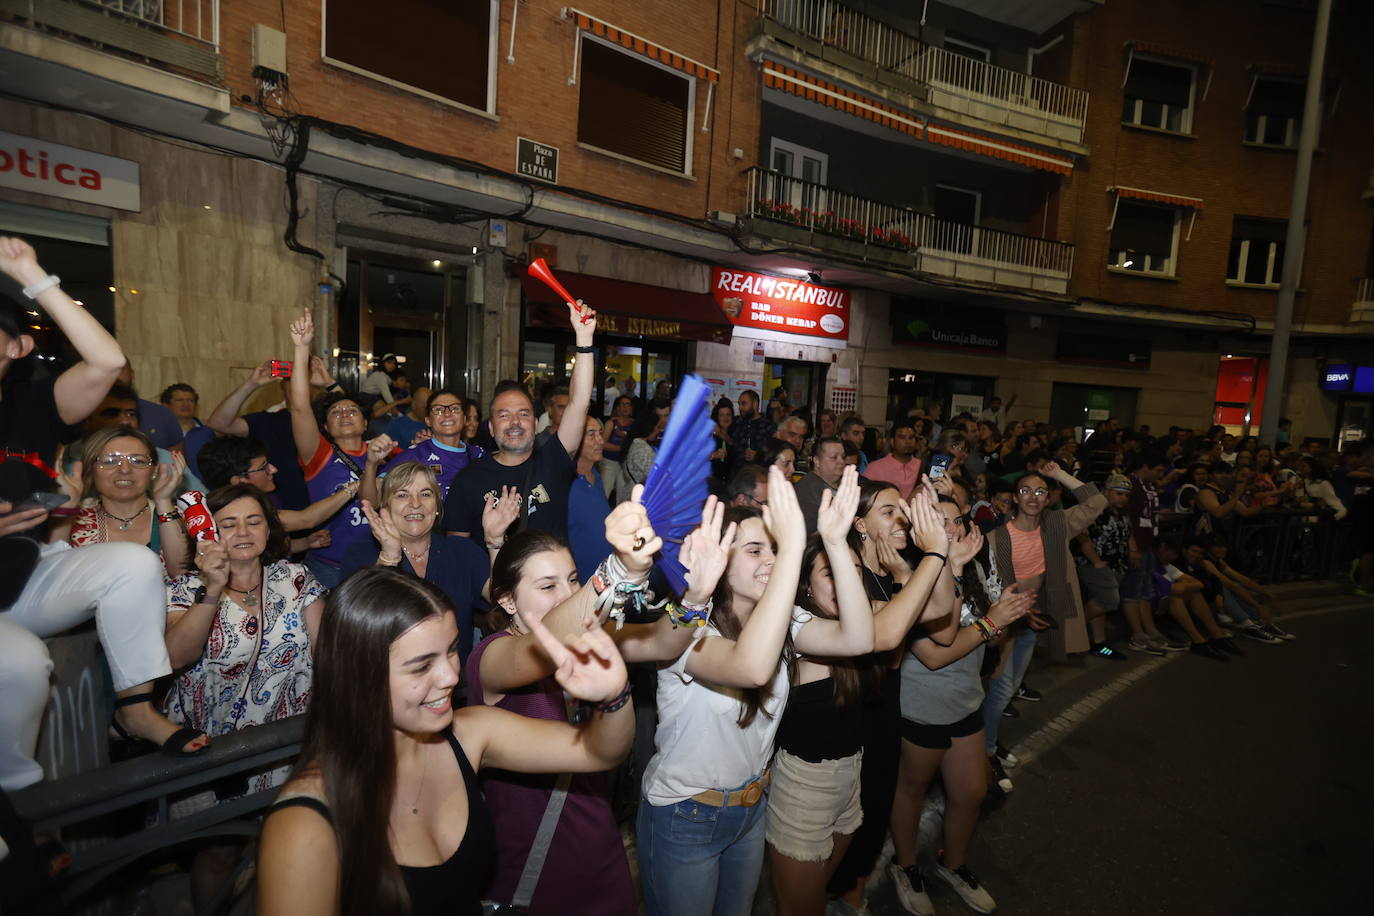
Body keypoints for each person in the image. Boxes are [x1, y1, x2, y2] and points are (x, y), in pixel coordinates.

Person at [255, 566, 635, 916]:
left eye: (452, 650)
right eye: (422, 665)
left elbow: (598, 751)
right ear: (358, 677)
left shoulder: (470, 735)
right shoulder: (302, 826)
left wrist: (613, 695)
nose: (451, 676)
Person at [1, 235, 206, 792]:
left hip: (20, 579)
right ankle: (22, 819)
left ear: (15, 349)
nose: (121, 469)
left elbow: (109, 360)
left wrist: (30, 274)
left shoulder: (30, 409)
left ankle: (136, 705)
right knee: (19, 666)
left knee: (131, 565)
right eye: (109, 461)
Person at [637, 469, 881, 916]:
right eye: (755, 550)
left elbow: (861, 639)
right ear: (718, 561)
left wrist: (833, 541)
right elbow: (750, 667)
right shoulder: (685, 629)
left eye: (774, 547)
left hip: (750, 809)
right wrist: (790, 551)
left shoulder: (782, 620)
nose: (769, 558)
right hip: (685, 814)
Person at [771, 477, 951, 916]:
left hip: (847, 775)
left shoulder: (850, 611)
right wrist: (935, 554)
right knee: (801, 904)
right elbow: (885, 637)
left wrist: (925, 563)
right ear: (806, 585)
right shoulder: (799, 624)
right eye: (831, 573)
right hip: (805, 788)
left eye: (851, 575)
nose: (847, 585)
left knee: (821, 888)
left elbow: (938, 609)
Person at [888, 502, 1035, 916]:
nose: (950, 528)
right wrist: (991, 621)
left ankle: (953, 865)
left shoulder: (967, 571)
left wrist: (1002, 613)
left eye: (955, 519)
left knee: (970, 793)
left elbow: (981, 638)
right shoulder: (906, 578)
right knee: (912, 790)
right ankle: (906, 866)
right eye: (939, 520)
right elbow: (936, 654)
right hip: (922, 707)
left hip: (966, 701)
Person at [443, 300, 596, 540]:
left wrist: (584, 340)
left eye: (523, 414)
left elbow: (578, 403)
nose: (515, 422)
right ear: (491, 428)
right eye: (504, 415)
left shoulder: (552, 461)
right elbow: (457, 550)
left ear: (536, 424)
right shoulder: (468, 479)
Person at [344, 463, 496, 663]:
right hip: (387, 682)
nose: (415, 503)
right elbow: (357, 629)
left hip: (455, 682)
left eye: (425, 494)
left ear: (436, 506)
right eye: (402, 495)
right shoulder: (361, 553)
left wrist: (495, 542)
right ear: (386, 506)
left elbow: (502, 598)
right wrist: (389, 556)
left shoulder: (462, 550)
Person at [286, 309, 372, 587]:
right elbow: (300, 407)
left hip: (377, 565)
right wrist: (301, 349)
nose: (345, 415)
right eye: (336, 413)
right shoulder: (320, 455)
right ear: (325, 427)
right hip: (329, 569)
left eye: (352, 411)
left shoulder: (383, 455)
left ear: (367, 423)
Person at [61, 426, 191, 578]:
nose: (124, 470)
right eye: (110, 461)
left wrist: (163, 502)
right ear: (90, 470)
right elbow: (54, 577)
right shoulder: (74, 520)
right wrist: (65, 510)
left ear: (154, 470)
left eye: (137, 461)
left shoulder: (184, 518)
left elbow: (182, 576)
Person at [196, 434, 352, 554]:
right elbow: (307, 519)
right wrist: (355, 486)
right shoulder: (228, 512)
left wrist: (305, 543)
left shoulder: (264, 499)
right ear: (239, 481)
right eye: (263, 467)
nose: (273, 469)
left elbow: (268, 546)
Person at [363, 389, 485, 503]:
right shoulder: (414, 455)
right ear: (427, 420)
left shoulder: (478, 455)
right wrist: (371, 464)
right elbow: (372, 502)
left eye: (454, 408)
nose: (447, 414)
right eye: (438, 409)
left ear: (464, 419)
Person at [1073, 473, 1136, 659]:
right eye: (1118, 493)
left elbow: (1128, 534)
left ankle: (1099, 643)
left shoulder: (1121, 512)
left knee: (1101, 603)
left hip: (1116, 565)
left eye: (1126, 495)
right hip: (1094, 565)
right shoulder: (1095, 510)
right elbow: (1081, 534)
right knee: (1109, 600)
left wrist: (1132, 552)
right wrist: (1096, 561)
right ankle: (1076, 630)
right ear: (1107, 492)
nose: (1123, 498)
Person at [568, 422, 614, 582]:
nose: (601, 440)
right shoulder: (564, 483)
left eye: (600, 433)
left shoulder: (595, 475)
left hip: (605, 576)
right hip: (580, 581)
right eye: (591, 434)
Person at [116, 362, 182, 451]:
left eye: (119, 369)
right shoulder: (91, 413)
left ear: (131, 374)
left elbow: (176, 457)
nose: (113, 374)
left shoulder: (161, 414)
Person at [794, 436, 845, 531]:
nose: (841, 462)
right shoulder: (807, 491)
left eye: (843, 457)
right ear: (817, 461)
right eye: (834, 457)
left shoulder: (846, 483)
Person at [865, 421, 923, 500]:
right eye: (902, 437)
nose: (907, 442)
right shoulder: (874, 468)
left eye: (911, 437)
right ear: (892, 441)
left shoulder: (922, 466)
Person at [732, 389, 776, 467]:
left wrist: (758, 456)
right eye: (739, 404)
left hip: (759, 475)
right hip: (736, 474)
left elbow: (774, 454)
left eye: (744, 404)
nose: (740, 407)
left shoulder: (768, 426)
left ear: (755, 404)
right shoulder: (736, 423)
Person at [602, 395, 635, 462]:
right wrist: (622, 448)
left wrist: (625, 435)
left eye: (627, 404)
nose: (625, 407)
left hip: (629, 462)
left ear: (631, 408)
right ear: (618, 408)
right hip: (610, 461)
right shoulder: (611, 423)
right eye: (622, 404)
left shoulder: (635, 424)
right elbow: (602, 444)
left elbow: (637, 442)